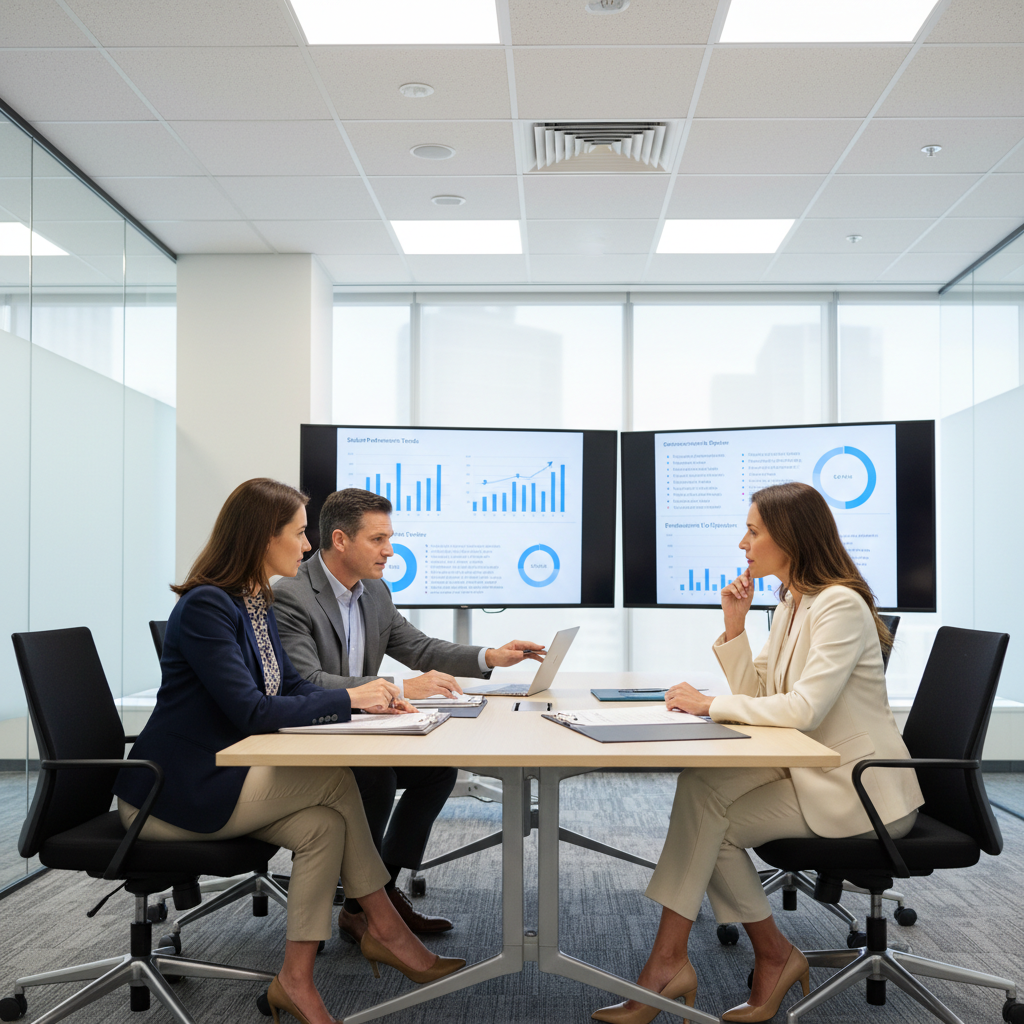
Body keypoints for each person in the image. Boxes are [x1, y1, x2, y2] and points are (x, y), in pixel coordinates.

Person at [113, 479, 465, 1024]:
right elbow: (251, 710)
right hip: (174, 793)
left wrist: (362, 703)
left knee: (324, 826)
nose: (307, 547)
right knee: (335, 782)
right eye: (300, 534)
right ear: (261, 536)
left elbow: (293, 687)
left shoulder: (256, 601)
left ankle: (295, 982)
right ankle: (386, 928)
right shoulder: (209, 606)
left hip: (225, 778)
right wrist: (351, 697)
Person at [592, 481, 924, 1024]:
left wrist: (709, 706)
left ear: (789, 537)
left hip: (860, 790)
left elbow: (803, 710)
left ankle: (697, 964)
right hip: (812, 767)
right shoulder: (795, 602)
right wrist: (734, 628)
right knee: (700, 789)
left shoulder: (838, 604)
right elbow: (766, 696)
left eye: (753, 531)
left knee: (709, 824)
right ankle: (710, 960)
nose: (743, 544)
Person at [273, 487, 544, 942]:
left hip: (361, 731)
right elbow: (308, 683)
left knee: (435, 771)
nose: (390, 550)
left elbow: (418, 648)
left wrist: (491, 656)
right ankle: (368, 907)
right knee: (375, 776)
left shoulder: (374, 591)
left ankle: (372, 898)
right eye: (378, 539)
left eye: (390, 537)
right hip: (313, 735)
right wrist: (399, 688)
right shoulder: (293, 596)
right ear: (340, 540)